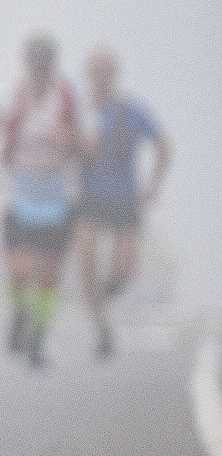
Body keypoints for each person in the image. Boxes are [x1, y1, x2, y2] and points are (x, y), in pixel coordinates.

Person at [74, 49, 171, 358]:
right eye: (96, 70)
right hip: (90, 198)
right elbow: (60, 145)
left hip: (125, 198)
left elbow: (163, 145)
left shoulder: (131, 111)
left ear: (114, 74)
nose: (101, 77)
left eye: (106, 71)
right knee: (87, 263)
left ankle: (107, 295)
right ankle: (101, 327)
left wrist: (153, 184)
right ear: (89, 74)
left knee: (124, 270)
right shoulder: (79, 110)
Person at [0, 35, 82, 367]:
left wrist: (69, 137)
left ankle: (38, 338)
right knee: (19, 269)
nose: (40, 69)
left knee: (49, 274)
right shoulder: (11, 96)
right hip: (20, 193)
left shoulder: (69, 98)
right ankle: (19, 313)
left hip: (58, 193)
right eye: (35, 62)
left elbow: (89, 143)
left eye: (46, 63)